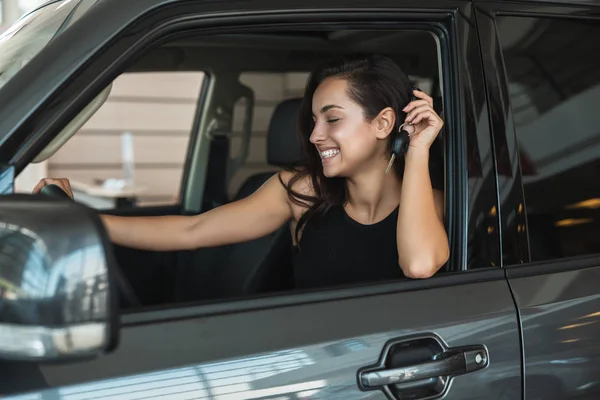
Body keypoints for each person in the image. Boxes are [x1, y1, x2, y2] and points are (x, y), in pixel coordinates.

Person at [33, 54, 449, 289]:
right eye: (313, 120)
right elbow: (191, 232)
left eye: (332, 119)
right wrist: (83, 221)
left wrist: (416, 150)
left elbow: (419, 265)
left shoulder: (432, 205)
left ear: (382, 124)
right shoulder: (301, 190)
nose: (314, 134)